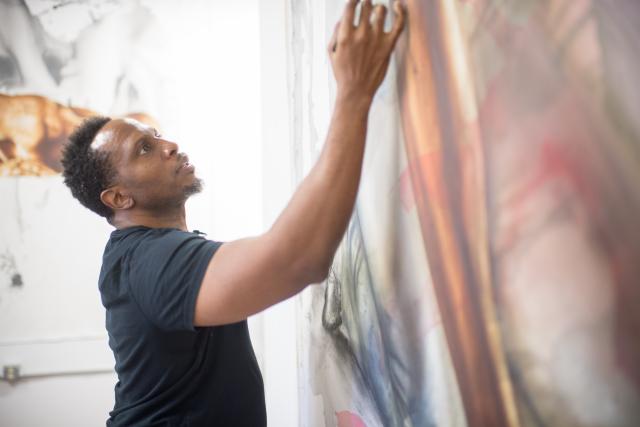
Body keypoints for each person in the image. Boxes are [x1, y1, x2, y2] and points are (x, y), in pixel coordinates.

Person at [60, 1, 405, 425]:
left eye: (157, 135)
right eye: (144, 149)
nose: (169, 145)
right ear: (118, 199)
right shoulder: (148, 261)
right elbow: (298, 260)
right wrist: (353, 93)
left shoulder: (151, 254)